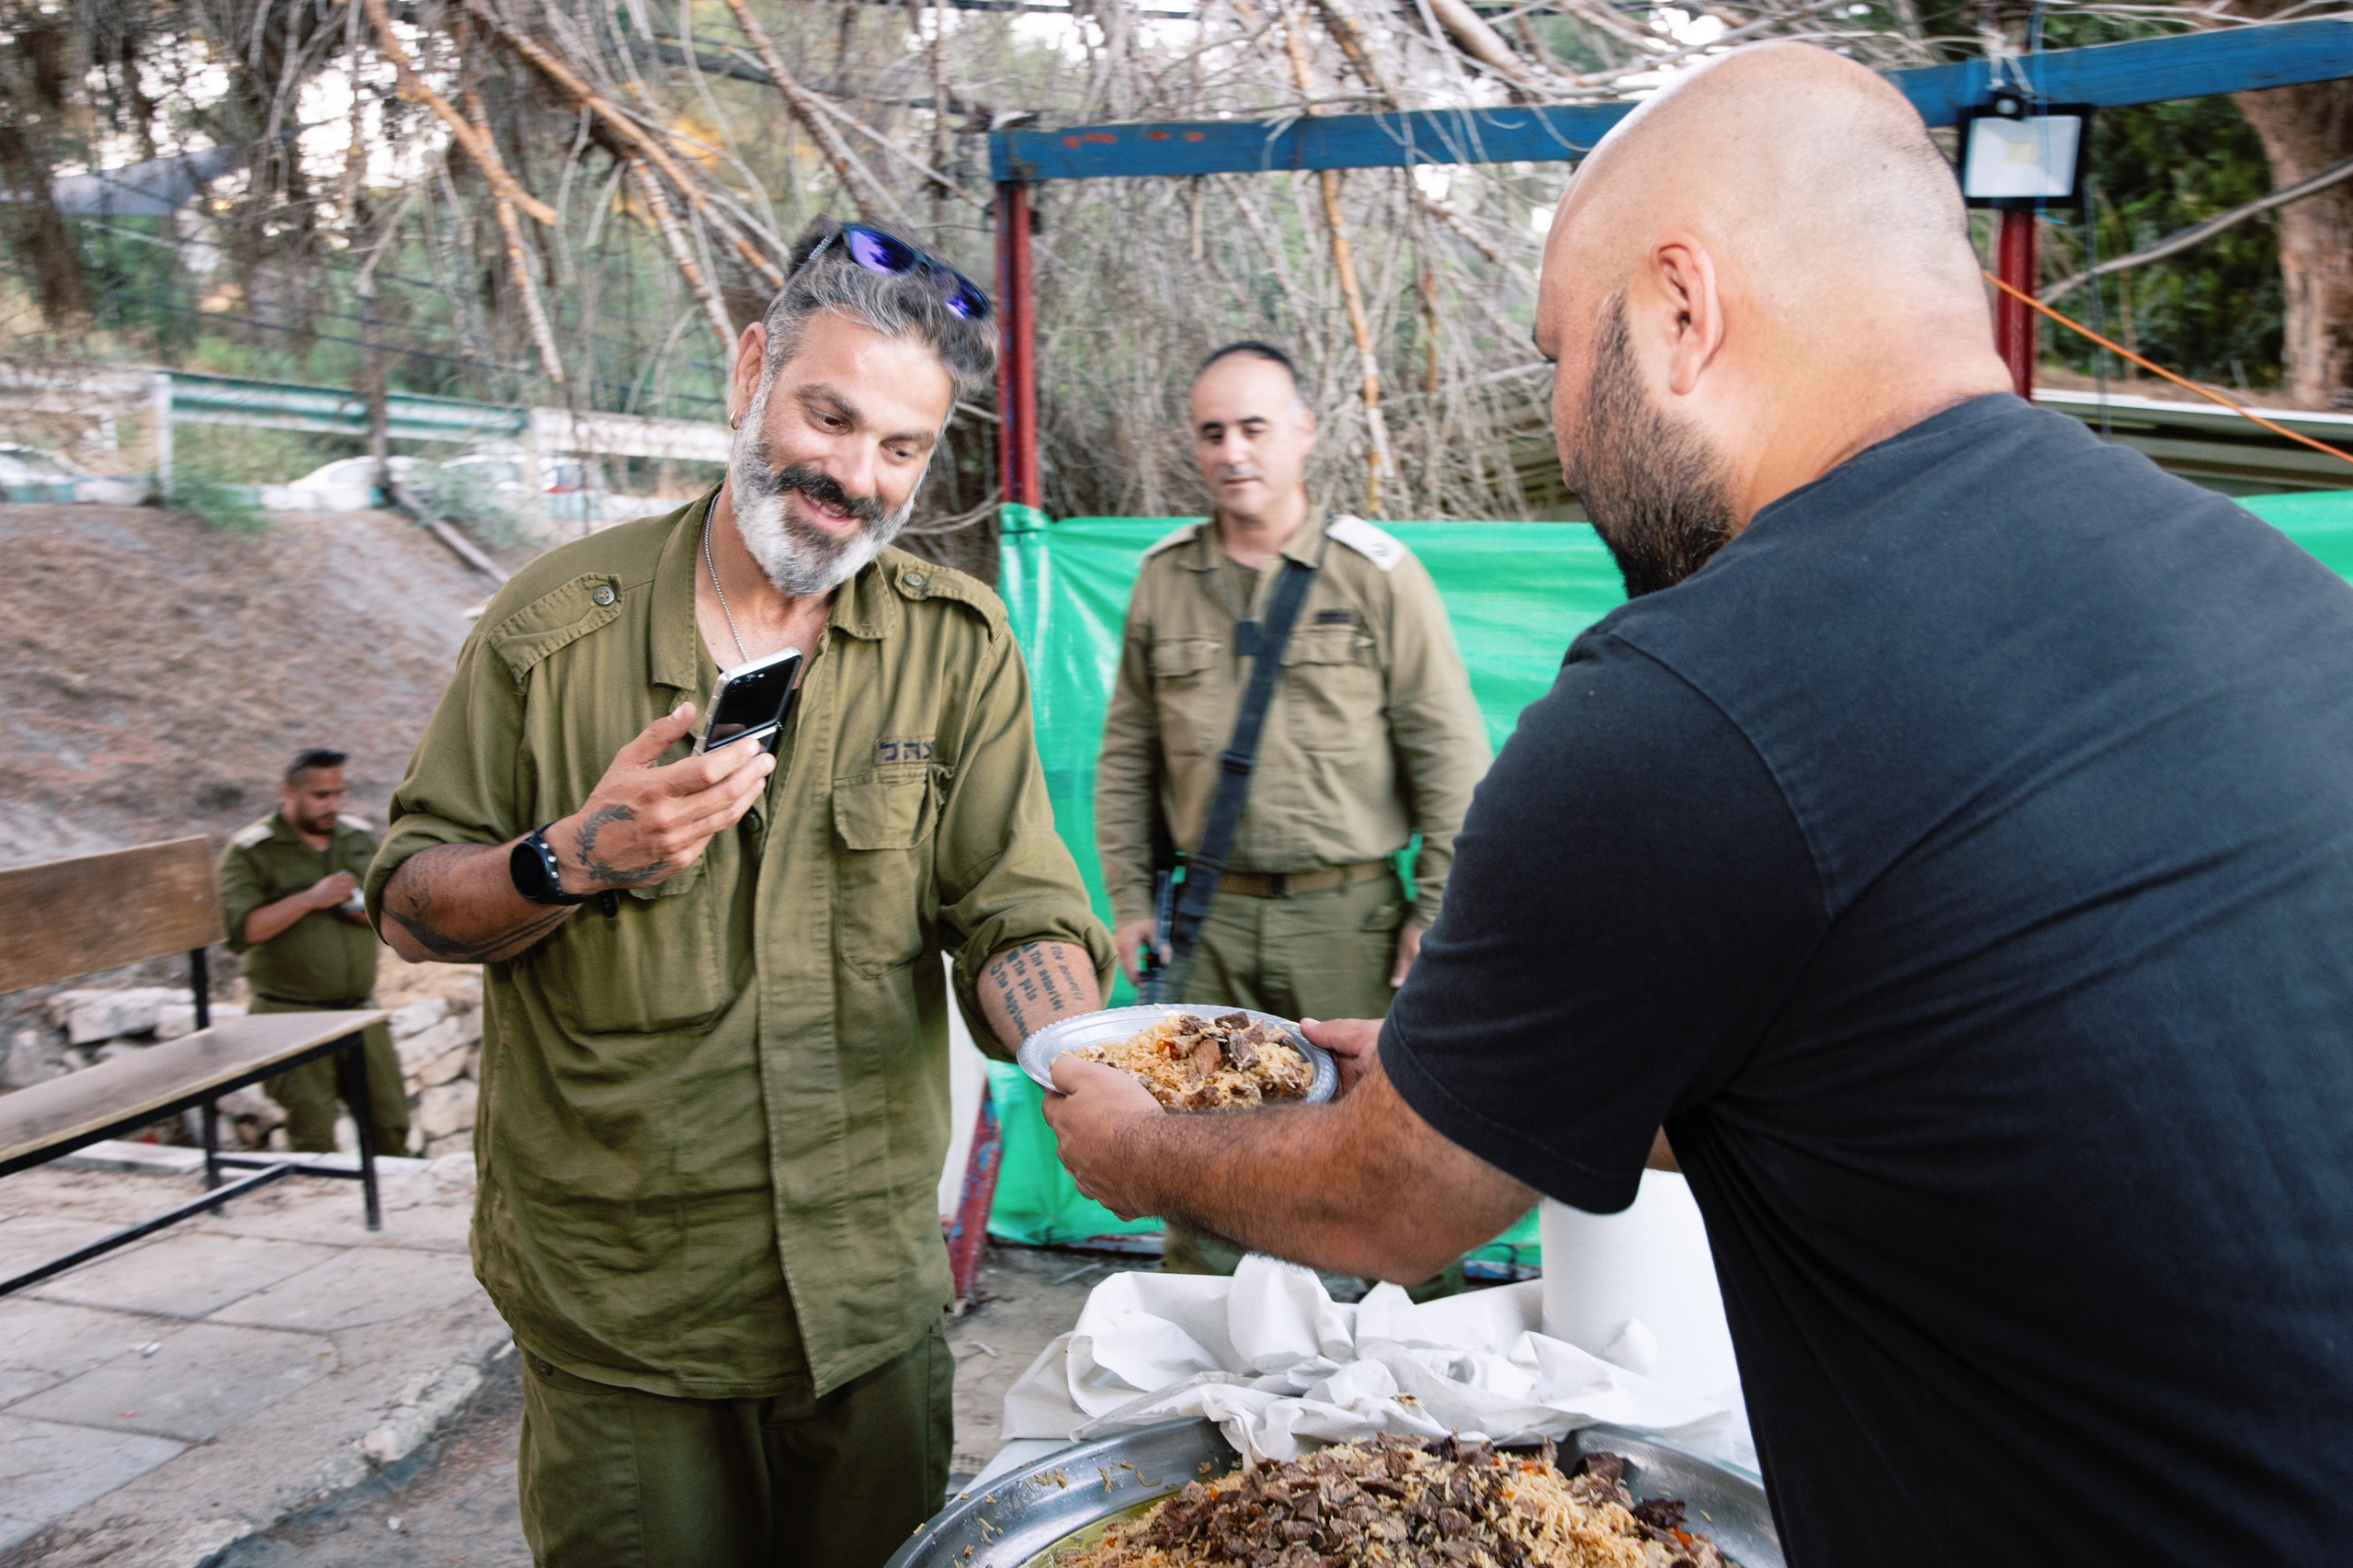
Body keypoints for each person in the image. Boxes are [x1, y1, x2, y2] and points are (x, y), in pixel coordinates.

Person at [1043, 42, 2353, 1566]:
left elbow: (1392, 1205)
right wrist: (1480, 1073)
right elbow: (1951, 1057)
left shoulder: (1687, 700)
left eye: (1557, 353)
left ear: (1680, 309)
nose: (1561, 422)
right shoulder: (2278, 595)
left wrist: (1137, 1146)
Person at [367, 219, 1114, 1568]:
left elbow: (1017, 911)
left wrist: (1085, 1055)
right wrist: (569, 857)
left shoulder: (955, 646)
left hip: (864, 1305)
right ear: (750, 370)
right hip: (626, 1314)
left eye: (901, 449)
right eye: (830, 417)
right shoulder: (552, 630)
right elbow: (412, 904)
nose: (855, 478)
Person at [1093, 340, 1488, 1278]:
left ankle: (1410, 1360)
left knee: (1388, 1158)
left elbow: (1450, 758)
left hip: (1348, 924)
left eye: (1254, 428)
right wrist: (1130, 900)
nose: (1233, 451)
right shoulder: (1164, 579)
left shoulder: (1376, 575)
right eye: (1212, 433)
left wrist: (1436, 913)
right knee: (1199, 1154)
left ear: (1304, 432)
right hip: (1208, 924)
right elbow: (1127, 757)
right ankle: (1209, 1352)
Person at [217, 746, 408, 1156]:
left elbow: (388, 908)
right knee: (312, 1138)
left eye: (338, 794)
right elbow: (241, 931)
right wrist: (310, 899)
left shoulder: (355, 838)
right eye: (321, 796)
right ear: (288, 793)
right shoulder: (251, 850)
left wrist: (360, 911)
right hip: (290, 1016)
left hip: (359, 1012)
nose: (332, 806)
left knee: (390, 1125)